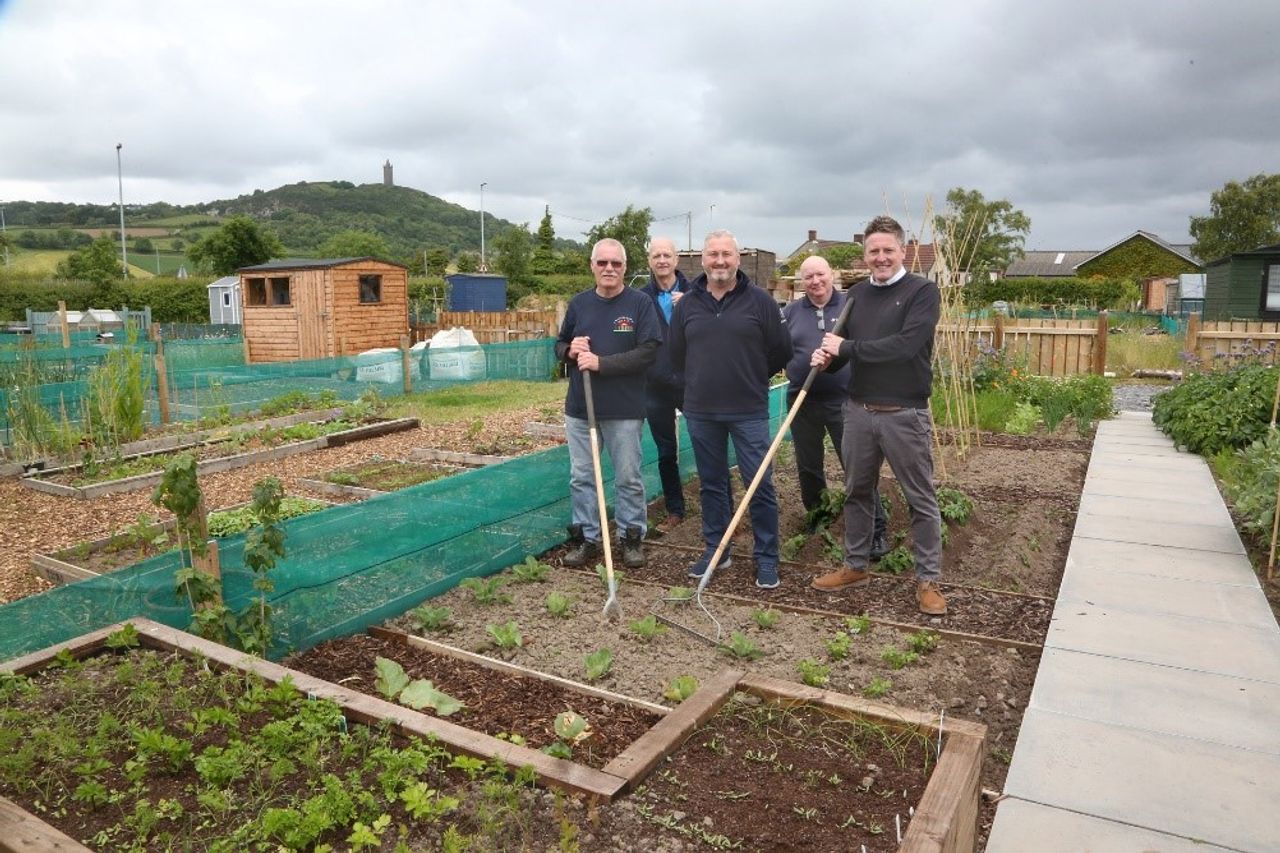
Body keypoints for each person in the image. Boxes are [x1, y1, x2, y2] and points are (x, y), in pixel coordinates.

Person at [809, 215, 948, 616]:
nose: (881, 257)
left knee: (920, 497)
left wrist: (845, 349)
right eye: (874, 251)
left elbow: (904, 347)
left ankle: (928, 580)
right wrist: (829, 358)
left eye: (888, 250)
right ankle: (856, 565)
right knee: (857, 491)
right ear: (865, 255)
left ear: (902, 251)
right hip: (858, 411)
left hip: (904, 413)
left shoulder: (923, 292)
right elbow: (848, 351)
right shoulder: (856, 297)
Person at [668, 230, 792, 588]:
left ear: (738, 260)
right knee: (712, 483)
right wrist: (694, 388)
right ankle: (716, 549)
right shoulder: (688, 305)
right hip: (702, 411)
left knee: (759, 484)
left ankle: (767, 556)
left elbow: (781, 350)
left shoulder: (760, 302)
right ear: (703, 261)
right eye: (713, 255)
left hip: (748, 409)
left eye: (726, 254)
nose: (719, 261)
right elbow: (677, 355)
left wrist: (753, 376)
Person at [555, 238, 662, 570]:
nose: (609, 269)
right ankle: (587, 537)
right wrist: (570, 351)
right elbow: (559, 346)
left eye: (615, 263)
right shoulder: (579, 305)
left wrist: (602, 364)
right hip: (581, 409)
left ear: (625, 267)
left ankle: (631, 538)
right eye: (602, 263)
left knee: (628, 476)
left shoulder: (640, 304)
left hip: (624, 410)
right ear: (592, 266)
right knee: (582, 476)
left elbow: (649, 351)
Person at [782, 255, 888, 555]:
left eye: (820, 275)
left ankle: (876, 529)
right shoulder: (790, 312)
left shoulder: (851, 307)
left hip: (846, 401)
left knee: (857, 467)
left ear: (832, 275)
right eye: (808, 277)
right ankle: (818, 518)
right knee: (809, 467)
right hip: (802, 400)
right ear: (802, 282)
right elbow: (776, 349)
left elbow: (866, 348)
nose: (815, 282)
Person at [639, 237, 690, 534]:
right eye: (656, 255)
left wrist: (692, 306)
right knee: (666, 450)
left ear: (676, 259)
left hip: (690, 382)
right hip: (655, 385)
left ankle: (718, 509)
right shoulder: (641, 298)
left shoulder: (697, 292)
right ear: (650, 261)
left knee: (708, 445)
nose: (662, 260)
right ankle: (675, 509)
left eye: (666, 255)